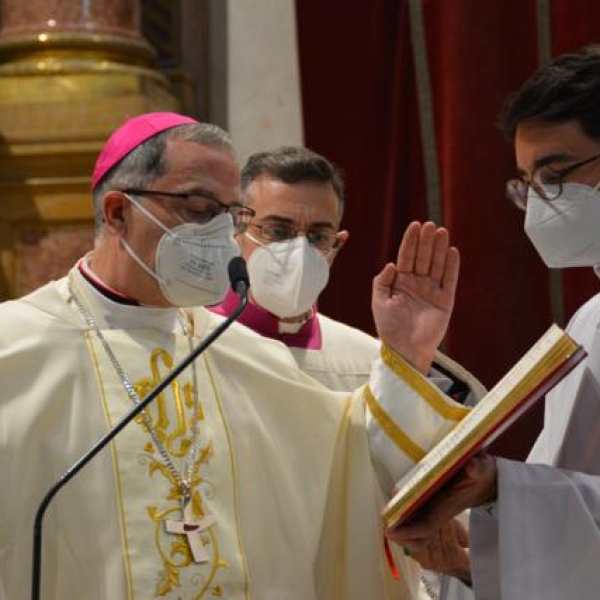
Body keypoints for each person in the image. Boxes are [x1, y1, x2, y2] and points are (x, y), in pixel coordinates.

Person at [0, 112, 471, 600]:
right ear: (119, 213)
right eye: (201, 208)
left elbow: (353, 464)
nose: (222, 234)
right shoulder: (13, 351)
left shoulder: (240, 354)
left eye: (232, 216)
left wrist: (407, 355)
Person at [210, 145, 485, 599]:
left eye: (317, 235)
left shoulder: (375, 362)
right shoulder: (189, 350)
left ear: (337, 246)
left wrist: (411, 357)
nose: (297, 249)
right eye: (277, 230)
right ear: (237, 226)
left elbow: (426, 510)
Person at [389, 45, 600, 600]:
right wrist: (474, 562)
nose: (538, 204)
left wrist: (499, 489)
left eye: (555, 176)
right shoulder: (589, 320)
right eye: (527, 184)